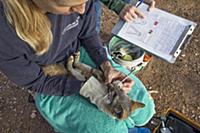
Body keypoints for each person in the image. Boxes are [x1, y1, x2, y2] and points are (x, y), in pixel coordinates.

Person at [0, 0, 155, 132]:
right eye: (71, 5)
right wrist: (85, 87)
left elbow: (88, 34)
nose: (81, 9)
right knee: (109, 129)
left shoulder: (81, 4)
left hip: (77, 53)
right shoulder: (5, 32)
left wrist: (105, 64)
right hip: (47, 77)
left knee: (144, 109)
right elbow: (38, 81)